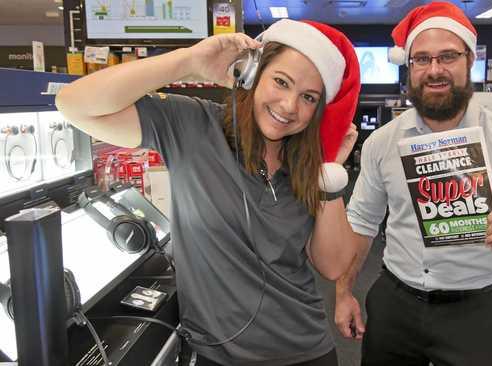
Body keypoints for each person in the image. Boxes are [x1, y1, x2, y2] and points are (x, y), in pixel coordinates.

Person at [56, 19, 361, 366]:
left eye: (308, 98)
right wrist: (188, 60)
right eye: (281, 82)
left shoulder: (306, 161)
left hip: (306, 351)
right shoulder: (193, 125)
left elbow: (334, 265)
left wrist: (329, 172)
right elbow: (73, 103)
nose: (290, 106)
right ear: (252, 74)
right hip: (218, 355)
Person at [333, 3, 492, 365]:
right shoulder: (382, 143)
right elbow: (362, 223)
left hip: (474, 311)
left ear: (469, 60)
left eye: (447, 56)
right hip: (395, 304)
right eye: (422, 59)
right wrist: (342, 293)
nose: (434, 70)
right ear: (409, 66)